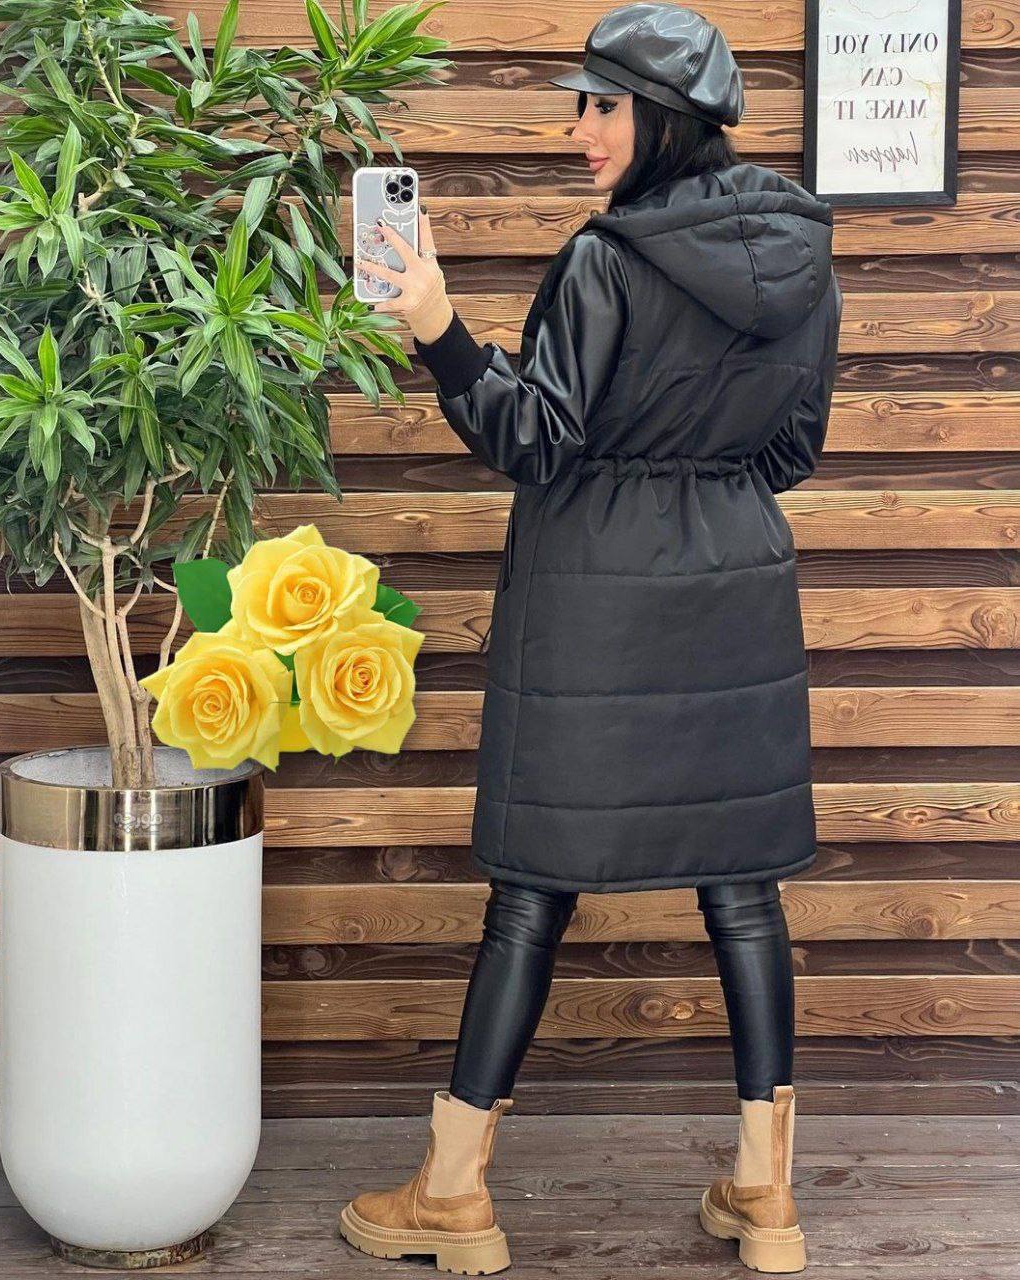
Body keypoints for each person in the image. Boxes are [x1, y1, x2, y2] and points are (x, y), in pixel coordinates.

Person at [338, 3, 843, 1274]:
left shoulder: (604, 260)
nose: (578, 130)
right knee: (742, 886)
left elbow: (535, 439)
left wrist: (437, 325)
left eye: (601, 106)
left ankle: (454, 1192)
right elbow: (794, 449)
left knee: (533, 884)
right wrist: (700, 482)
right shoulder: (805, 255)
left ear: (662, 119)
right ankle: (766, 1195)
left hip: (594, 600)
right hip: (736, 586)